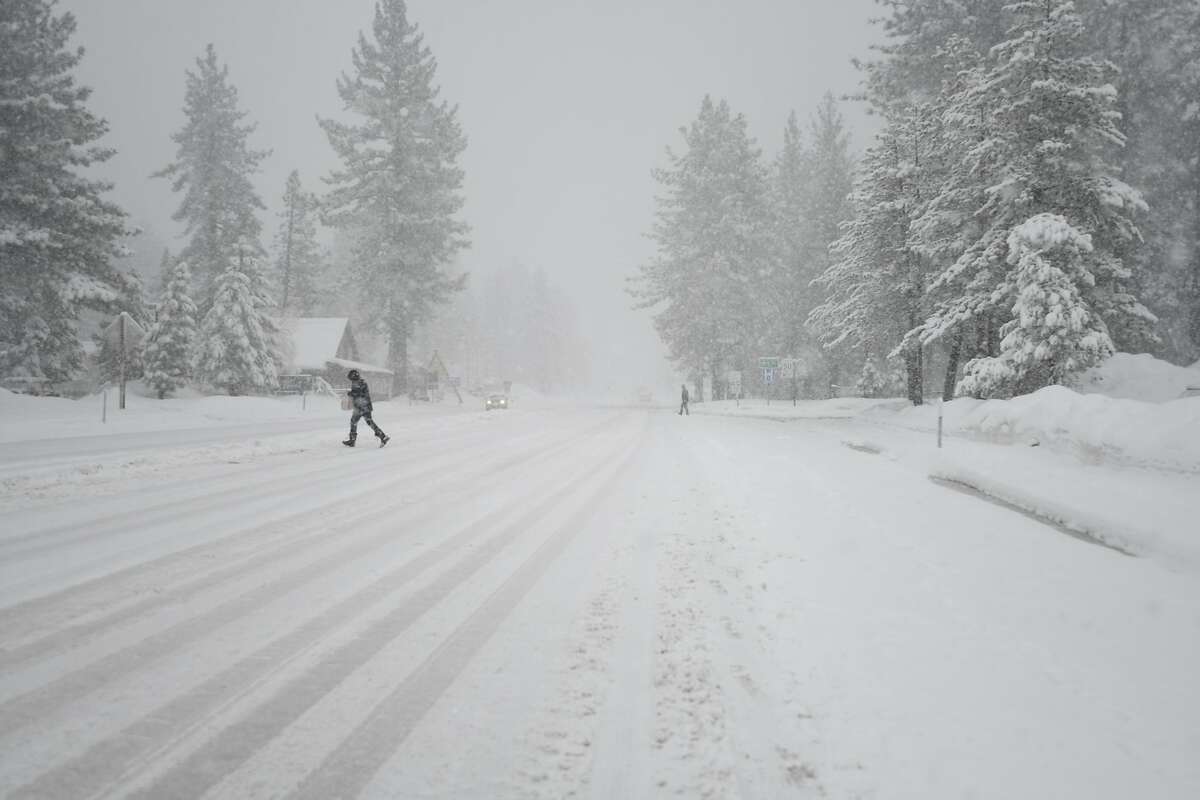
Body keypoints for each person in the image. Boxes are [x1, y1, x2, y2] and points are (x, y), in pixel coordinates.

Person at [343, 369, 390, 447]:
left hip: (362, 407)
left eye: (351, 377)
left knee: (354, 422)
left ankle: (352, 441)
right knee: (368, 422)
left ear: (353, 376)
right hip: (364, 406)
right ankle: (383, 436)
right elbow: (359, 393)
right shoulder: (359, 382)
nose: (350, 379)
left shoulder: (359, 383)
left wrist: (351, 393)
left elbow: (360, 394)